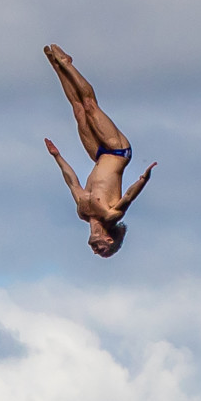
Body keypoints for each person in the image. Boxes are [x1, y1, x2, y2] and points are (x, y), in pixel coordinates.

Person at [43, 44, 156, 257]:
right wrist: (144, 179)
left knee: (78, 111)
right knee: (89, 106)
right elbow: (129, 196)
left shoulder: (83, 211)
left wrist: (57, 156)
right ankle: (67, 64)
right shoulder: (110, 215)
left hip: (98, 155)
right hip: (117, 151)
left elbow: (72, 183)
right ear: (109, 238)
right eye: (102, 249)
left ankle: (57, 69)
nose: (95, 251)